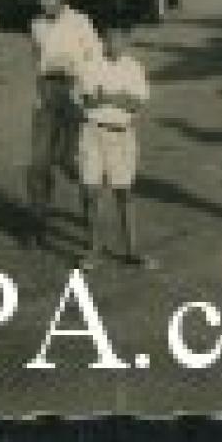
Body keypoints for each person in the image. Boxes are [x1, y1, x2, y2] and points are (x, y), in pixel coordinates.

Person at [25, 0, 102, 249]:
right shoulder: (36, 25)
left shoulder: (81, 23)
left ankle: (91, 225)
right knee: (38, 163)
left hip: (74, 93)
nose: (43, 0)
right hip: (47, 94)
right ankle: (38, 225)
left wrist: (82, 84)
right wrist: (37, 94)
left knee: (74, 163)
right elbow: (36, 61)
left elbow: (95, 61)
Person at [72, 23, 156, 269]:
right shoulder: (89, 65)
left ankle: (132, 250)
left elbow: (135, 105)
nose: (114, 45)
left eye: (120, 40)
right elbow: (86, 100)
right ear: (103, 41)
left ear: (126, 42)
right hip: (92, 133)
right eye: (110, 40)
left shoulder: (134, 68)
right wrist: (117, 97)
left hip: (121, 135)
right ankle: (93, 250)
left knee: (124, 193)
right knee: (89, 192)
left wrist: (107, 97)